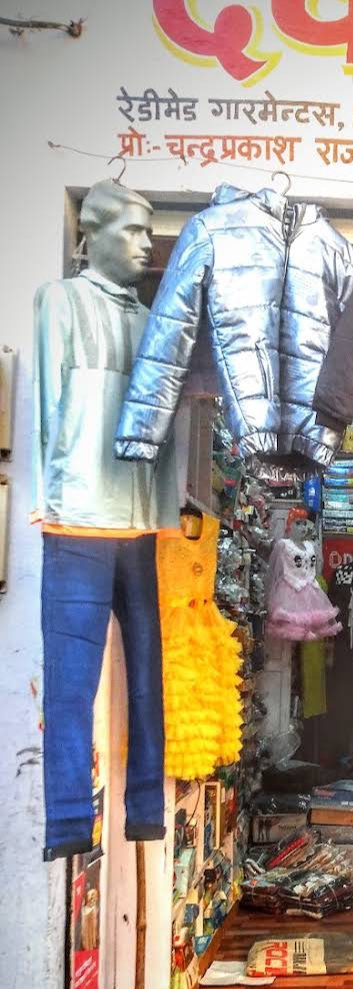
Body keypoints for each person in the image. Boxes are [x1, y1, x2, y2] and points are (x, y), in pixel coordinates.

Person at [33, 180, 179, 859]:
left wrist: (162, 508)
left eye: (149, 231)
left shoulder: (152, 321)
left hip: (137, 523)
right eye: (134, 230)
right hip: (77, 523)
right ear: (91, 234)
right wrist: (49, 496)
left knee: (149, 674)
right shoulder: (59, 301)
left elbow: (166, 424)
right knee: (71, 677)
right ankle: (67, 820)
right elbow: (45, 399)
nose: (147, 244)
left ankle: (145, 809)